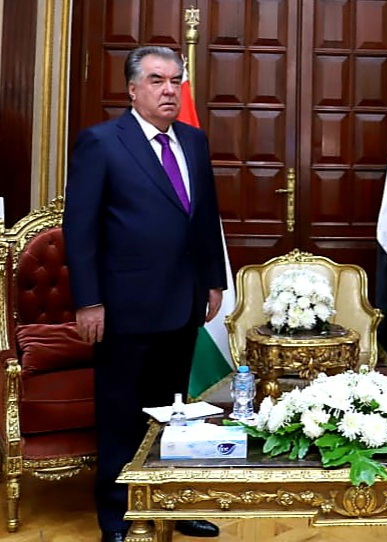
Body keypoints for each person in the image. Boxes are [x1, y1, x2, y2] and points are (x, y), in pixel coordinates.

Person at [63, 46, 226, 542]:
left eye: (175, 81)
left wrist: (213, 280)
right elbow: (80, 229)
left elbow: (204, 217)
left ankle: (171, 505)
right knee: (121, 415)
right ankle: (118, 515)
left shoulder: (193, 140)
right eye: (157, 80)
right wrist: (88, 300)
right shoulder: (101, 142)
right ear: (133, 89)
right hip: (124, 307)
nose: (169, 90)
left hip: (184, 302)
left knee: (175, 414)